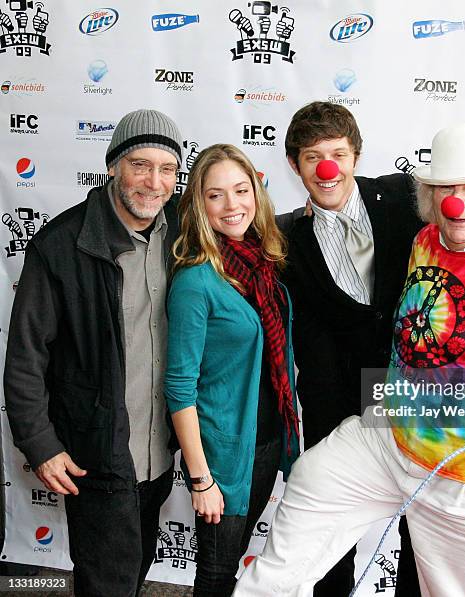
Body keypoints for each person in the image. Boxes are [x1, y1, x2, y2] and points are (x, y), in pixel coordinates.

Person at [232, 122, 465, 597]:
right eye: (446, 188)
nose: (456, 201)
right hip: (395, 434)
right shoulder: (426, 239)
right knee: (315, 482)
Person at [3, 109, 183, 597]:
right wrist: (41, 444)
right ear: (112, 167)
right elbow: (25, 358)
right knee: (107, 585)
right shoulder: (60, 246)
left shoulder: (185, 232)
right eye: (140, 165)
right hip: (97, 457)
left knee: (133, 572)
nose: (154, 182)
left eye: (167, 169)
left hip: (161, 456)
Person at [164, 144, 300, 597]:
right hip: (223, 456)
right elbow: (179, 388)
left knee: (234, 563)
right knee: (217, 574)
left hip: (267, 442)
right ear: (199, 204)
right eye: (215, 195)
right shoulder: (194, 281)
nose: (232, 205)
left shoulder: (264, 262)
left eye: (242, 190)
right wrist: (201, 479)